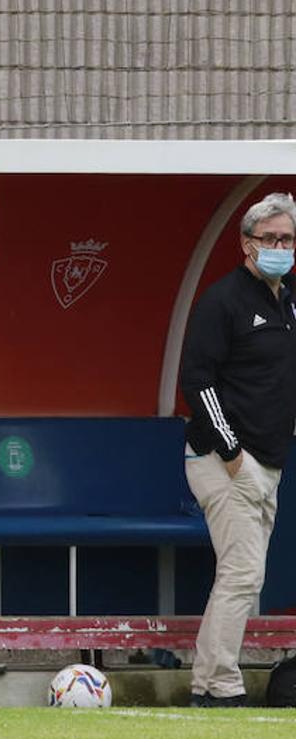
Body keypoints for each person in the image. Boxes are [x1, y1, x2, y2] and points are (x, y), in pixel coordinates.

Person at [181, 191, 296, 707]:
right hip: (223, 462)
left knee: (244, 576)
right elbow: (197, 381)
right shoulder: (223, 300)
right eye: (269, 238)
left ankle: (209, 682)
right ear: (246, 243)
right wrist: (233, 455)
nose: (279, 246)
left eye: (287, 238)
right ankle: (219, 687)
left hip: (269, 463)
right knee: (243, 574)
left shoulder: (288, 299)